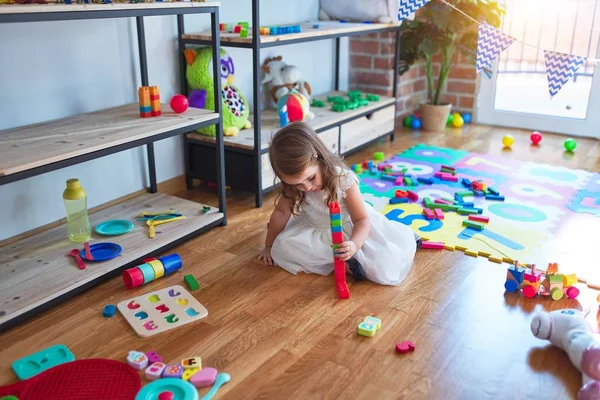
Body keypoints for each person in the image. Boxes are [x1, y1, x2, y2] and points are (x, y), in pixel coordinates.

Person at [258, 122, 420, 286]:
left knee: (383, 264)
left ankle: (354, 258)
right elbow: (281, 213)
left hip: (351, 229)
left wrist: (354, 244)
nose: (306, 187)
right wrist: (268, 245)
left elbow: (362, 220)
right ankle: (344, 265)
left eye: (310, 178)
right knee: (282, 248)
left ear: (318, 157)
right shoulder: (294, 187)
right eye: (298, 184)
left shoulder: (343, 181)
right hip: (316, 230)